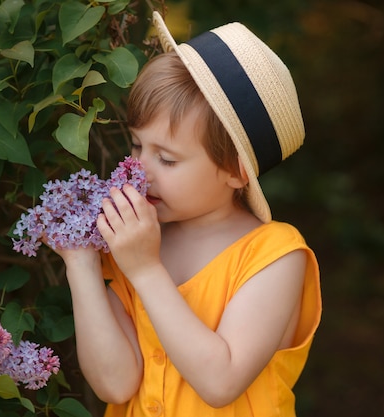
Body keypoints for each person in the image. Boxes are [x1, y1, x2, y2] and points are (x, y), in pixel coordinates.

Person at [54, 10, 322, 417]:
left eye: (168, 158)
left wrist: (145, 270)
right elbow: (116, 383)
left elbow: (221, 382)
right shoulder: (135, 240)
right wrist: (81, 263)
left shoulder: (275, 256)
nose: (140, 169)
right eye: (138, 146)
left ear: (234, 170)